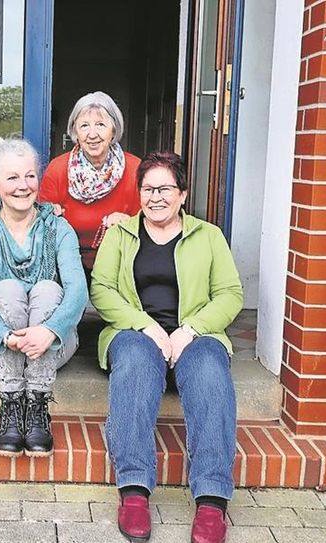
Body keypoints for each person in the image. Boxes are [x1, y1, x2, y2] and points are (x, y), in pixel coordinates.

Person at [90, 151, 243, 543]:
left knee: (211, 371)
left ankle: (211, 501)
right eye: (147, 188)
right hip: (135, 334)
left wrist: (191, 329)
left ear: (183, 194)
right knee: (137, 364)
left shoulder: (208, 236)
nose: (155, 196)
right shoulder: (121, 234)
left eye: (165, 188)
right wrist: (145, 326)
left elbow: (229, 294)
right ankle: (134, 492)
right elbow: (102, 290)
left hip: (196, 336)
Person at [0, 137, 87, 457]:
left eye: (30, 176)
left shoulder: (59, 229)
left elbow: (77, 290)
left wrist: (48, 330)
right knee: (6, 289)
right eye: (12, 177)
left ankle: (38, 404)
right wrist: (4, 335)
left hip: (51, 345)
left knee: (48, 289)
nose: (23, 185)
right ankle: (12, 404)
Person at [40, 91, 142, 270]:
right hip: (67, 264)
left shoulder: (136, 168)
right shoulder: (58, 169)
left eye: (101, 125)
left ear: (114, 130)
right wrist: (50, 214)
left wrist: (129, 221)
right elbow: (40, 223)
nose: (92, 134)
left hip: (121, 264)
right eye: (84, 126)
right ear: (75, 132)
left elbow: (149, 222)